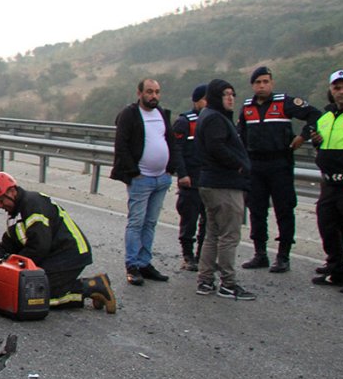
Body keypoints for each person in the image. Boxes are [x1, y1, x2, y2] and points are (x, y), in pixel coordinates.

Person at [0, 172, 116, 314]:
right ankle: (85, 287)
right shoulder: (14, 214)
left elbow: (39, 247)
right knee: (29, 290)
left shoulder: (33, 205)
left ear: (12, 191)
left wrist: (12, 268)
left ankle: (93, 286)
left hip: (70, 254)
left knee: (34, 297)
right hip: (54, 254)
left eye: (0, 200)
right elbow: (8, 244)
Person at [237, 65, 322, 273]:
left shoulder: (284, 102)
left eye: (266, 81)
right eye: (258, 82)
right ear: (252, 85)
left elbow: (315, 115)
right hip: (256, 165)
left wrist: (303, 136)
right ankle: (260, 254)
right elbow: (241, 136)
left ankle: (283, 256)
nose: (262, 85)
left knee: (284, 210)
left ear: (272, 83)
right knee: (256, 210)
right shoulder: (247, 107)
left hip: (280, 164)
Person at [110, 78, 180, 285]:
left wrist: (171, 169)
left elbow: (171, 141)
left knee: (150, 223)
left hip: (161, 178)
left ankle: (144, 263)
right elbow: (121, 145)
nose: (154, 96)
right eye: (149, 91)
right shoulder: (130, 114)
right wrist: (134, 172)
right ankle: (132, 265)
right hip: (141, 179)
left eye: (157, 92)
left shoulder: (162, 114)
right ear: (139, 93)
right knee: (136, 222)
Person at [195, 79, 256, 300]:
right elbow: (217, 146)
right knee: (229, 235)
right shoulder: (215, 118)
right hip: (223, 184)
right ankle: (228, 283)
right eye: (225, 94)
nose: (230, 98)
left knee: (212, 234)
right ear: (215, 96)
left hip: (212, 182)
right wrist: (239, 164)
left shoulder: (209, 115)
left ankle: (205, 280)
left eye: (232, 93)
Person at [309, 69, 343, 291]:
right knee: (327, 227)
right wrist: (316, 143)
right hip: (329, 184)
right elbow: (322, 146)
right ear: (331, 91)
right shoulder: (325, 118)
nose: (341, 92)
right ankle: (337, 271)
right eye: (337, 88)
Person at [172, 84, 209, 271]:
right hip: (191, 179)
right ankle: (188, 255)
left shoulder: (213, 120)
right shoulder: (184, 122)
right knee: (189, 219)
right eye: (204, 99)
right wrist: (182, 174)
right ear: (196, 101)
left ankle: (203, 255)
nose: (207, 103)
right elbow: (176, 149)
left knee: (208, 220)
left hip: (209, 179)